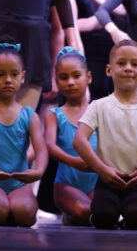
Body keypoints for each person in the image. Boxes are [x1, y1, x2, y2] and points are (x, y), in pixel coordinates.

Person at [73, 40, 137, 230]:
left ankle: (131, 214)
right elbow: (79, 140)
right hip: (108, 178)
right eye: (121, 63)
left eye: (134, 64)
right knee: (104, 218)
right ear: (108, 70)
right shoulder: (98, 106)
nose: (128, 68)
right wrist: (102, 169)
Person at [0, 40, 48, 226]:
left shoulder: (29, 116)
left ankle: (11, 209)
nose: (8, 80)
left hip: (17, 183)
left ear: (22, 76)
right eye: (0, 74)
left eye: (14, 74)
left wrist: (38, 171)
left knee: (24, 214)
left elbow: (41, 150)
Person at [43, 47, 98, 226]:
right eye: (64, 78)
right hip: (66, 184)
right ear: (56, 82)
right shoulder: (54, 114)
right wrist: (74, 162)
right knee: (85, 211)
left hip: (96, 181)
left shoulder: (99, 111)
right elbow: (50, 146)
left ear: (88, 77)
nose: (71, 82)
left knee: (102, 212)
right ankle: (71, 214)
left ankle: (76, 216)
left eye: (76, 76)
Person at [73, 0, 130, 100]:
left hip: (120, 67)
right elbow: (73, 24)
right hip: (92, 66)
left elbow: (119, 10)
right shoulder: (82, 0)